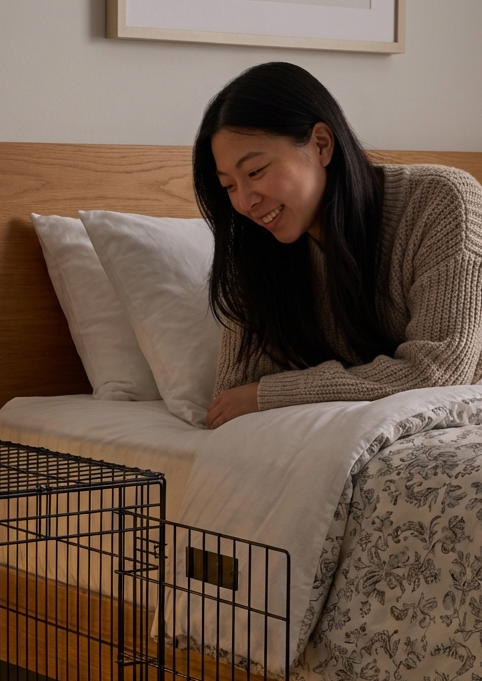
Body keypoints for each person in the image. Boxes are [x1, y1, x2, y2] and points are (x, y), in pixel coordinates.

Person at [193, 62, 482, 430]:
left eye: (254, 172)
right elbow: (234, 398)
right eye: (229, 185)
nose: (245, 201)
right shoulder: (256, 250)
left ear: (321, 145)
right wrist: (264, 394)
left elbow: (439, 372)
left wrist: (275, 394)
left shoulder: (440, 201)